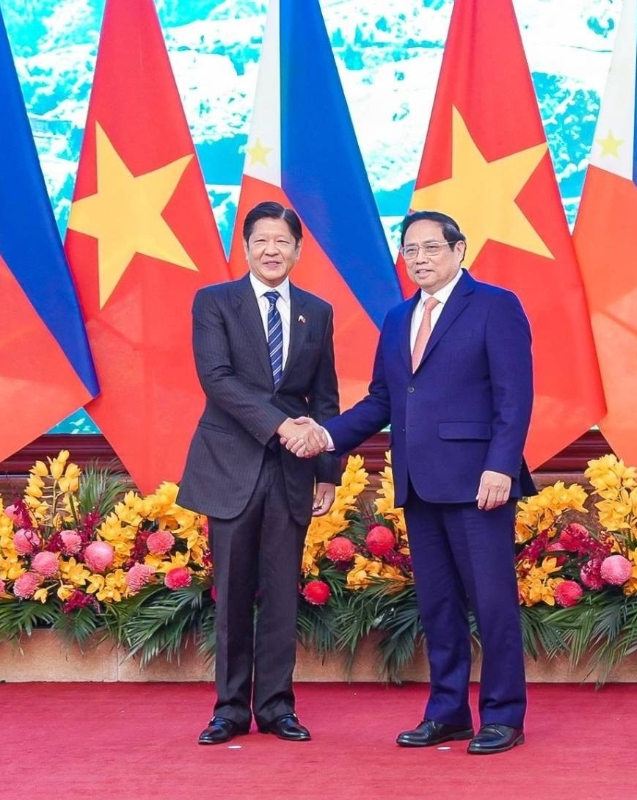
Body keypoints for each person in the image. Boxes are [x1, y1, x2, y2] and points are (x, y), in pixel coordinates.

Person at [290, 210, 535, 755]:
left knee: (492, 603)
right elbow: (383, 398)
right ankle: (448, 712)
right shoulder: (399, 316)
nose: (419, 259)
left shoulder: (495, 305)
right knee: (438, 605)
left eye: (430, 248)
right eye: (410, 250)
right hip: (419, 483)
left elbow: (515, 396)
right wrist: (326, 436)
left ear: (459, 249)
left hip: (479, 482)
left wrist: (500, 465)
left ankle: (503, 716)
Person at [178, 201, 340, 745]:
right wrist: (281, 426)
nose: (272, 250)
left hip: (293, 471)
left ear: (298, 249)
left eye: (282, 241)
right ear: (245, 247)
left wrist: (327, 471)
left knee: (281, 593)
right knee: (232, 592)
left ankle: (276, 707)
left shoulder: (317, 311)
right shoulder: (214, 302)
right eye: (261, 241)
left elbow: (325, 398)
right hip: (231, 466)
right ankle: (229, 710)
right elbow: (217, 379)